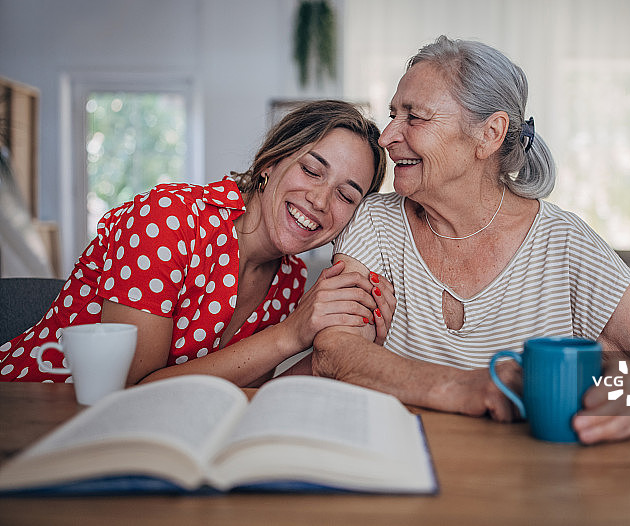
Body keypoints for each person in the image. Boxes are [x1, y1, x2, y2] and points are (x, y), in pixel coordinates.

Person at [311, 37, 630, 444]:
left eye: (414, 117)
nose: (386, 137)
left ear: (490, 134)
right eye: (393, 114)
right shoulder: (373, 222)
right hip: (395, 469)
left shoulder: (564, 243)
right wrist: (463, 388)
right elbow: (335, 350)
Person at [1, 100, 394, 386]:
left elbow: (240, 392)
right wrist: (293, 332)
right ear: (271, 163)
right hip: (32, 410)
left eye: (347, 195)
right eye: (311, 170)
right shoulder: (168, 219)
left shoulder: (289, 279)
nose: (321, 201)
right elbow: (134, 393)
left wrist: (340, 350)